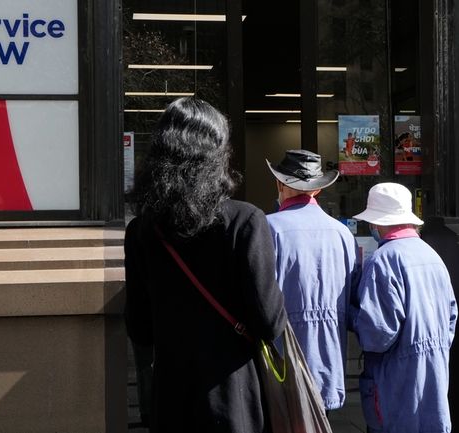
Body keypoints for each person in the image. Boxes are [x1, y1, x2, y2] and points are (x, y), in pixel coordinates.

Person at [124, 97, 287, 432]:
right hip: (233, 397)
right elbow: (269, 322)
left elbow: (139, 328)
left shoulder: (141, 231)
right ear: (216, 154)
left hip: (171, 401)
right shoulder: (245, 221)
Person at [351, 182, 457, 433]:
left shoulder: (383, 260)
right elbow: (451, 316)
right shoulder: (432, 255)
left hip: (394, 386)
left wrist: (352, 316)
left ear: (377, 223)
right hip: (434, 377)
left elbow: (378, 335)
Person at [265, 149, 360, 412]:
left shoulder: (268, 228)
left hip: (282, 367)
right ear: (317, 190)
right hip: (329, 366)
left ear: (280, 183)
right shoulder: (343, 234)